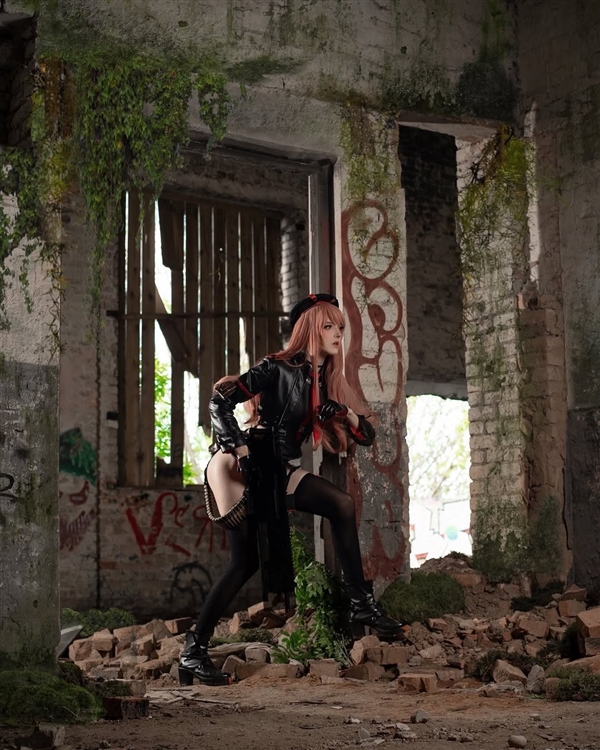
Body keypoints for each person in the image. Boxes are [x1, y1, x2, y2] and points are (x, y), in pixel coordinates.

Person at [179, 293, 403, 686]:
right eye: (329, 326)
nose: (337, 334)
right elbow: (219, 403)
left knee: (341, 504)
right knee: (244, 563)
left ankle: (361, 604)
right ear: (311, 330)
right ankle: (193, 651)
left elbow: (366, 436)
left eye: (340, 327)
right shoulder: (277, 368)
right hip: (237, 465)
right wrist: (241, 451)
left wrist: (345, 413)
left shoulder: (327, 380)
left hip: (276, 467)